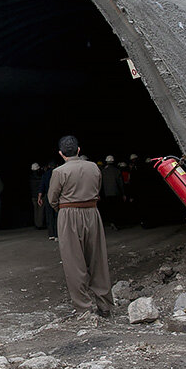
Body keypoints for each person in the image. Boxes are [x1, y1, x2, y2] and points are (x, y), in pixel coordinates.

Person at [48, 136, 113, 317]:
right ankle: (105, 305)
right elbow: (98, 189)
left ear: (61, 153)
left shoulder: (59, 172)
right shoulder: (93, 167)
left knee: (74, 262)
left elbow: (52, 198)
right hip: (92, 212)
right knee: (97, 258)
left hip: (68, 214)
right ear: (78, 150)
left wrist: (63, 209)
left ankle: (84, 307)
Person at [100, 155, 124, 230]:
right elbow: (120, 183)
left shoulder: (103, 171)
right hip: (116, 193)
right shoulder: (117, 171)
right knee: (116, 208)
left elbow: (100, 183)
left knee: (109, 209)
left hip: (107, 193)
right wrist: (123, 193)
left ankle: (111, 222)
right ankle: (116, 223)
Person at [40, 162, 59, 240]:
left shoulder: (45, 174)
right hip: (57, 196)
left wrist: (39, 197)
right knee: (56, 215)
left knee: (49, 215)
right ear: (56, 165)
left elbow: (42, 186)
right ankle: (57, 234)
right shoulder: (58, 173)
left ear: (48, 166)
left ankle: (51, 234)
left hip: (48, 196)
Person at [29, 163, 45, 230]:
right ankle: (39, 224)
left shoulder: (30, 177)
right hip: (40, 195)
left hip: (33, 195)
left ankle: (36, 223)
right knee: (40, 210)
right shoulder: (41, 177)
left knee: (36, 210)